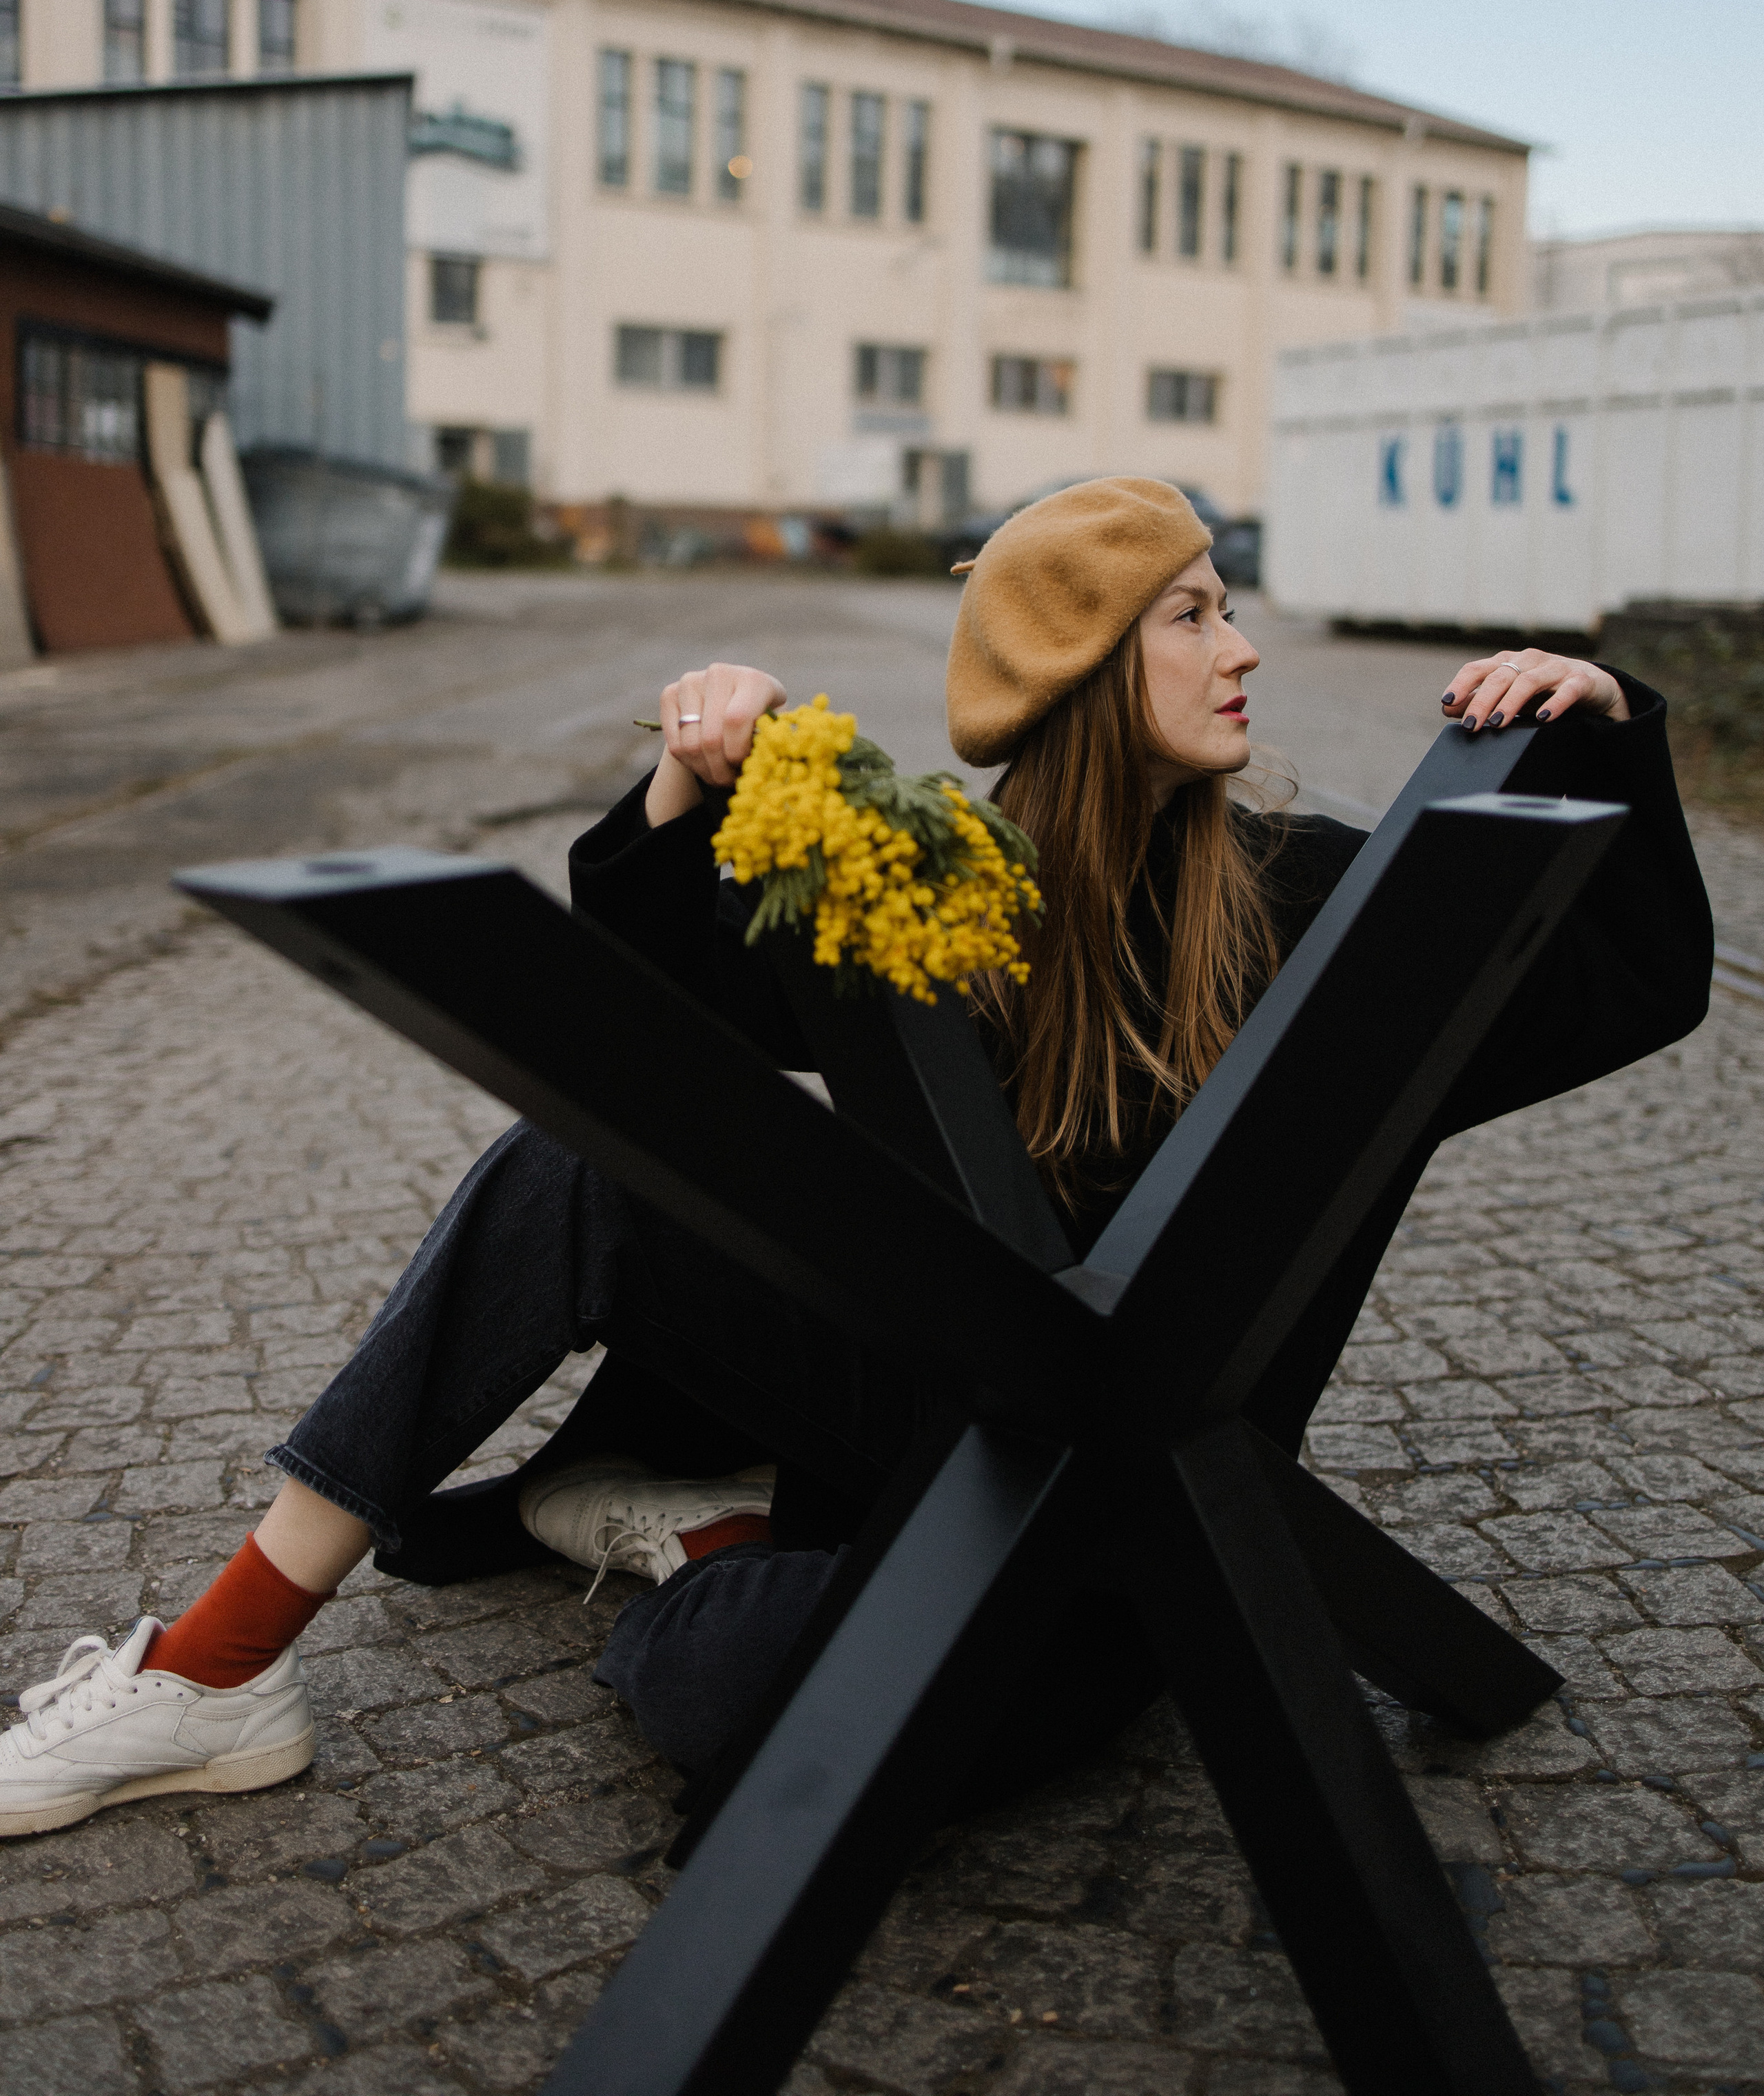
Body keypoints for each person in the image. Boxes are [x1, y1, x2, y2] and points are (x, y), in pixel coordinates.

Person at [0, 479, 1712, 1838]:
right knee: (568, 1168)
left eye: (1229, 607)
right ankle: (218, 1666)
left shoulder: (1318, 901)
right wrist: (688, 786)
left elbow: (1625, 996)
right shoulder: (943, 890)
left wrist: (1608, 721)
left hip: (1130, 1507)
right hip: (935, 1407)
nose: (1241, 648)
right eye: (1191, 615)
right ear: (1083, 666)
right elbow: (658, 1035)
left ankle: (706, 1538)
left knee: (719, 1696)